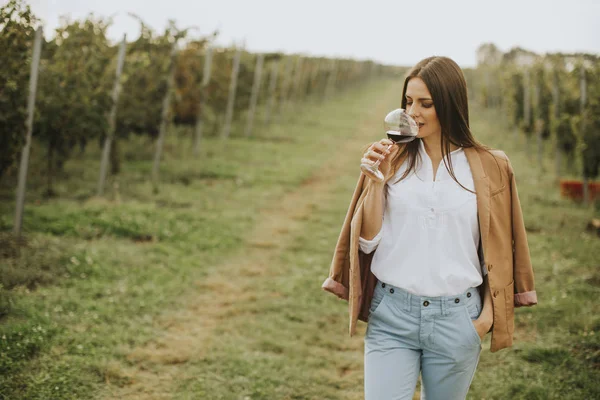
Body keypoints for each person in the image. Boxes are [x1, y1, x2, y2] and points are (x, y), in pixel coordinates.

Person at [321, 56, 537, 400]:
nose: (413, 112)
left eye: (426, 103)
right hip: (392, 316)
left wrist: (483, 321)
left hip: (459, 320)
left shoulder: (492, 166)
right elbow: (366, 241)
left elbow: (503, 248)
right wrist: (376, 182)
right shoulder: (390, 157)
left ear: (450, 104)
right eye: (408, 102)